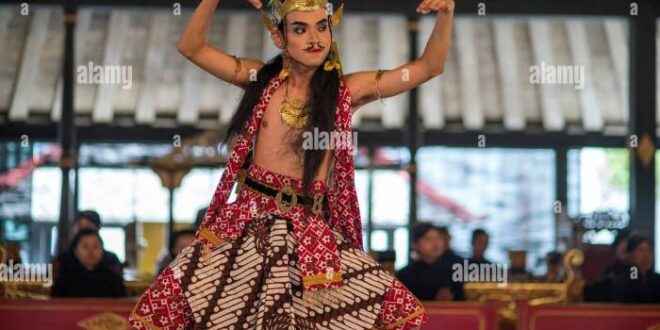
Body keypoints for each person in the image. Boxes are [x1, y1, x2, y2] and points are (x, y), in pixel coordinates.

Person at [129, 0, 454, 328]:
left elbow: (430, 66)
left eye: (321, 27)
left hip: (310, 232)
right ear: (278, 36)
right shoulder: (260, 80)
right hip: (249, 223)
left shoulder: (346, 90)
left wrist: (446, 13)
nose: (315, 38)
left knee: (395, 309)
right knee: (178, 309)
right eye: (300, 29)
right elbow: (191, 47)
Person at [51, 229, 126, 297]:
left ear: (102, 251)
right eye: (85, 246)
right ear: (75, 252)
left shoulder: (113, 278)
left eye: (96, 246)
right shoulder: (65, 278)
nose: (91, 251)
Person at [54, 211, 123, 280]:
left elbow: (119, 282)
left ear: (98, 228)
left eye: (88, 229)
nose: (85, 235)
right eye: (81, 229)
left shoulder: (111, 260)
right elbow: (47, 279)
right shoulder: (63, 258)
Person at [396, 223, 454, 301]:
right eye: (429, 239)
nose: (436, 243)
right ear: (415, 244)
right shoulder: (404, 275)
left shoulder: (454, 270)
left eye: (438, 238)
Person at [610, 235, 660, 303]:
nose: (646, 255)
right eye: (641, 250)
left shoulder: (657, 279)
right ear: (629, 255)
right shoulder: (622, 282)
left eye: (649, 250)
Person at [436, 226, 466, 300]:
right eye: (441, 239)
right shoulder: (430, 263)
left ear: (449, 239)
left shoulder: (460, 262)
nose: (444, 242)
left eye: (446, 238)